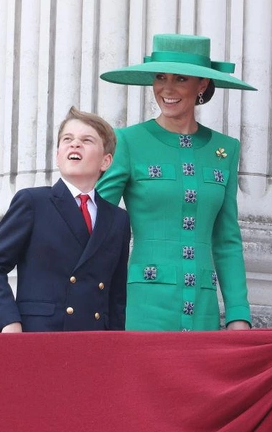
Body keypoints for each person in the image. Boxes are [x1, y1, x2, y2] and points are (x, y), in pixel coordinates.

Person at [96, 34, 255, 331]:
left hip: (203, 312)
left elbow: (226, 239)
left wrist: (238, 313)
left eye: (180, 79)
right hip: (143, 307)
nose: (166, 89)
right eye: (160, 78)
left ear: (202, 85)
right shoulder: (128, 141)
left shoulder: (225, 149)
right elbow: (98, 223)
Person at [0, 107, 131, 332]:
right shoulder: (33, 202)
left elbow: (116, 296)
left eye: (87, 140)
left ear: (105, 161)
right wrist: (8, 321)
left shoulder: (117, 219)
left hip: (95, 340)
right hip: (40, 335)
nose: (75, 144)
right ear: (58, 156)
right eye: (67, 139)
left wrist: (116, 347)